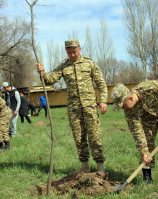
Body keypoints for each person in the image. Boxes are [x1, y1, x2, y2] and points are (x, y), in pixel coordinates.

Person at [36, 39, 108, 173]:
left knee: (94, 136)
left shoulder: (89, 63)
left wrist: (103, 101)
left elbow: (101, 83)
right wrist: (42, 72)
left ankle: (100, 166)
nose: (72, 55)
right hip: (74, 109)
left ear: (79, 49)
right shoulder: (64, 66)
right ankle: (85, 166)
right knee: (79, 138)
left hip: (89, 107)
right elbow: (50, 79)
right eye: (69, 52)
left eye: (74, 52)